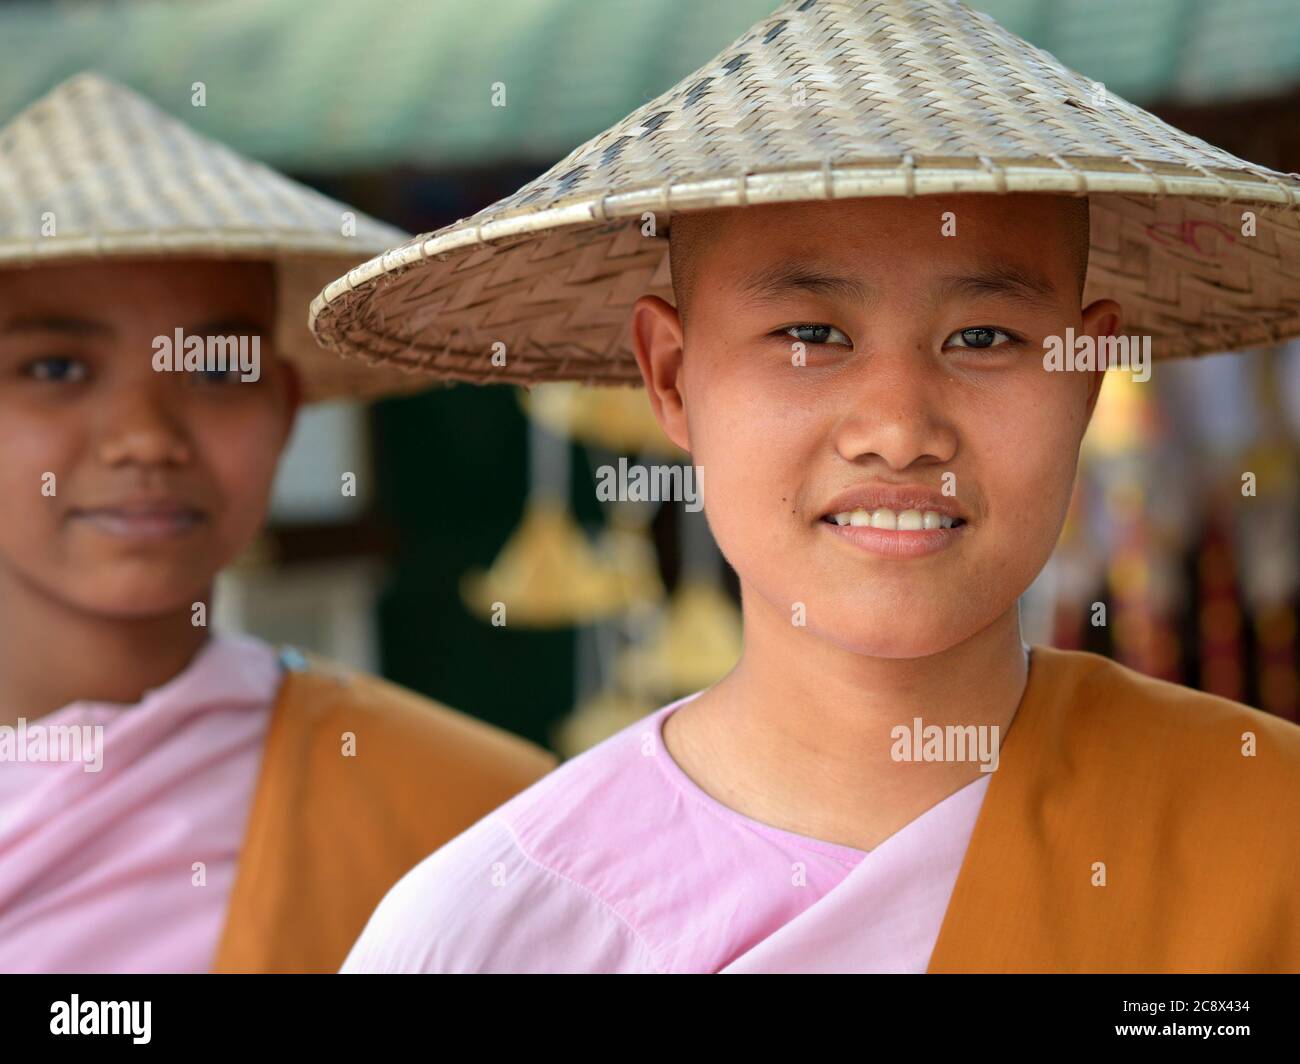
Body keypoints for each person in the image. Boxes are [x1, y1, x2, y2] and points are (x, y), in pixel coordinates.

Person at [314, 0, 1300, 973]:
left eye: (985, 337)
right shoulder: (492, 931)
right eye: (809, 336)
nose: (900, 431)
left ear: (1085, 374)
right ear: (669, 377)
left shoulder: (1266, 840)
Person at [0, 73, 558, 975]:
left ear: (287, 407)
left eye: (220, 369)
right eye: (57, 367)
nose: (147, 439)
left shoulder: (479, 813)